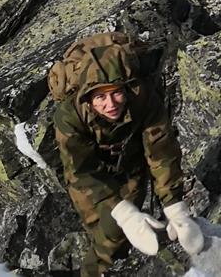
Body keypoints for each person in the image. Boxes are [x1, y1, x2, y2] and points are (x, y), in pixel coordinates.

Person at [51, 33, 204, 277]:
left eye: (116, 93)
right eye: (100, 97)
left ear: (127, 88)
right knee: (102, 229)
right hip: (89, 171)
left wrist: (175, 206)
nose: (110, 104)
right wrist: (122, 212)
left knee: (119, 231)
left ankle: (114, 266)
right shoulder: (69, 116)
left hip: (130, 157)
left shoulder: (143, 99)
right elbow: (80, 170)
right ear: (88, 100)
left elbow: (161, 152)